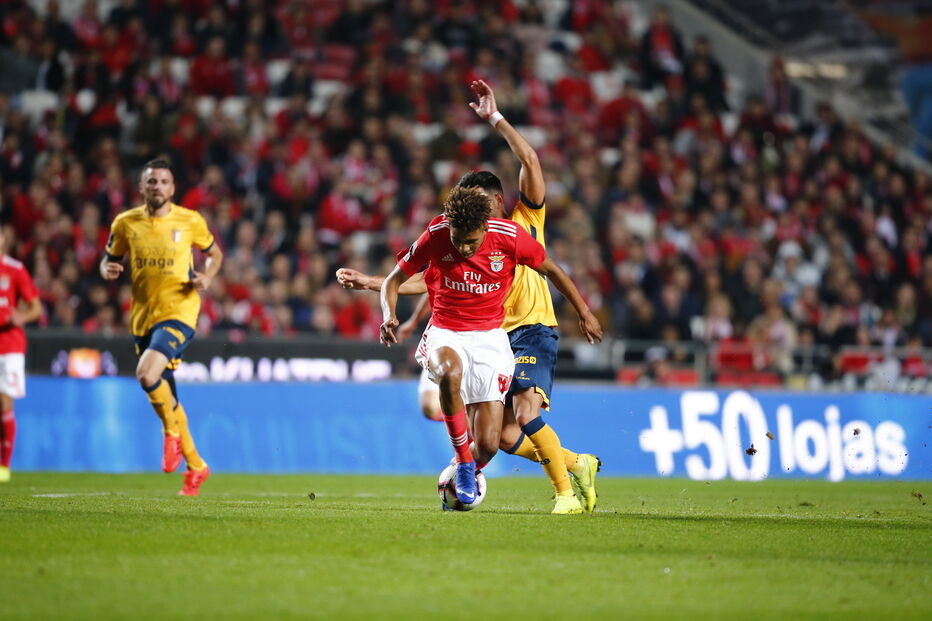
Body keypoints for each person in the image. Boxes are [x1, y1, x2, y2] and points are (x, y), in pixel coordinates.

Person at [340, 79, 604, 513]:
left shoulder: (523, 222)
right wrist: (377, 287)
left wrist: (494, 118)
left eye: (483, 204)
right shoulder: (446, 235)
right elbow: (432, 279)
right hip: (484, 329)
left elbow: (530, 160)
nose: (467, 241)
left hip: (529, 328)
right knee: (497, 436)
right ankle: (571, 466)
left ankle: (564, 490)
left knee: (521, 415)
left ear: (498, 202)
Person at [379, 182, 602, 513]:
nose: (465, 249)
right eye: (459, 241)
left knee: (490, 443)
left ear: (485, 226)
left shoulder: (508, 236)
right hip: (446, 331)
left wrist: (584, 312)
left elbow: (553, 269)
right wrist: (389, 314)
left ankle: (479, 461)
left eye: (472, 242)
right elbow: (393, 280)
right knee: (449, 374)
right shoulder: (437, 232)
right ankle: (464, 466)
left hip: (490, 339)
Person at [100, 158, 223, 496]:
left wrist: (207, 276)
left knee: (146, 374)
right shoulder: (126, 223)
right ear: (142, 187)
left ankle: (170, 434)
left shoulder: (190, 220)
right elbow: (109, 259)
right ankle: (197, 466)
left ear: (173, 188)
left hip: (180, 311)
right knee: (165, 391)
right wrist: (106, 270)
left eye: (163, 182)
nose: (157, 187)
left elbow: (215, 255)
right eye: (151, 182)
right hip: (143, 317)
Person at [0, 227, 43, 482]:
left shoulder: (14, 269)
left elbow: (36, 307)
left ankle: (4, 466)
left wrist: (21, 316)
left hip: (9, 346)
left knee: (5, 403)